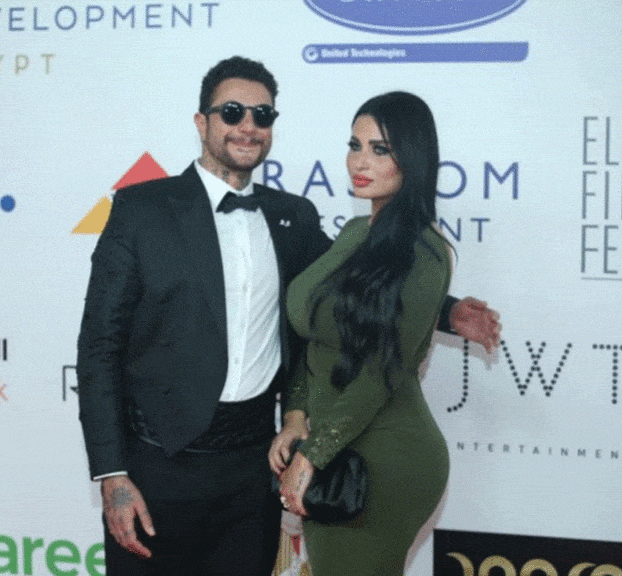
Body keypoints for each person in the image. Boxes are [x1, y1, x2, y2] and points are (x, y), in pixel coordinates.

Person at [78, 57, 499, 576]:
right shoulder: (142, 209)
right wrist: (112, 475)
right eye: (232, 112)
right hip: (159, 467)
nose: (247, 126)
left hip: (254, 467)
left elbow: (360, 288)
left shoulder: (292, 217)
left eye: (262, 114)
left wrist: (449, 311)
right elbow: (98, 347)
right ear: (202, 122)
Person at [272, 91, 472, 575]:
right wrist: (296, 418)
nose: (360, 162)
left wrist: (312, 456)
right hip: (333, 448)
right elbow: (314, 341)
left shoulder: (426, 251)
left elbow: (381, 371)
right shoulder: (353, 234)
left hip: (384, 459)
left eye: (380, 149)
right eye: (355, 145)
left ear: (413, 159)